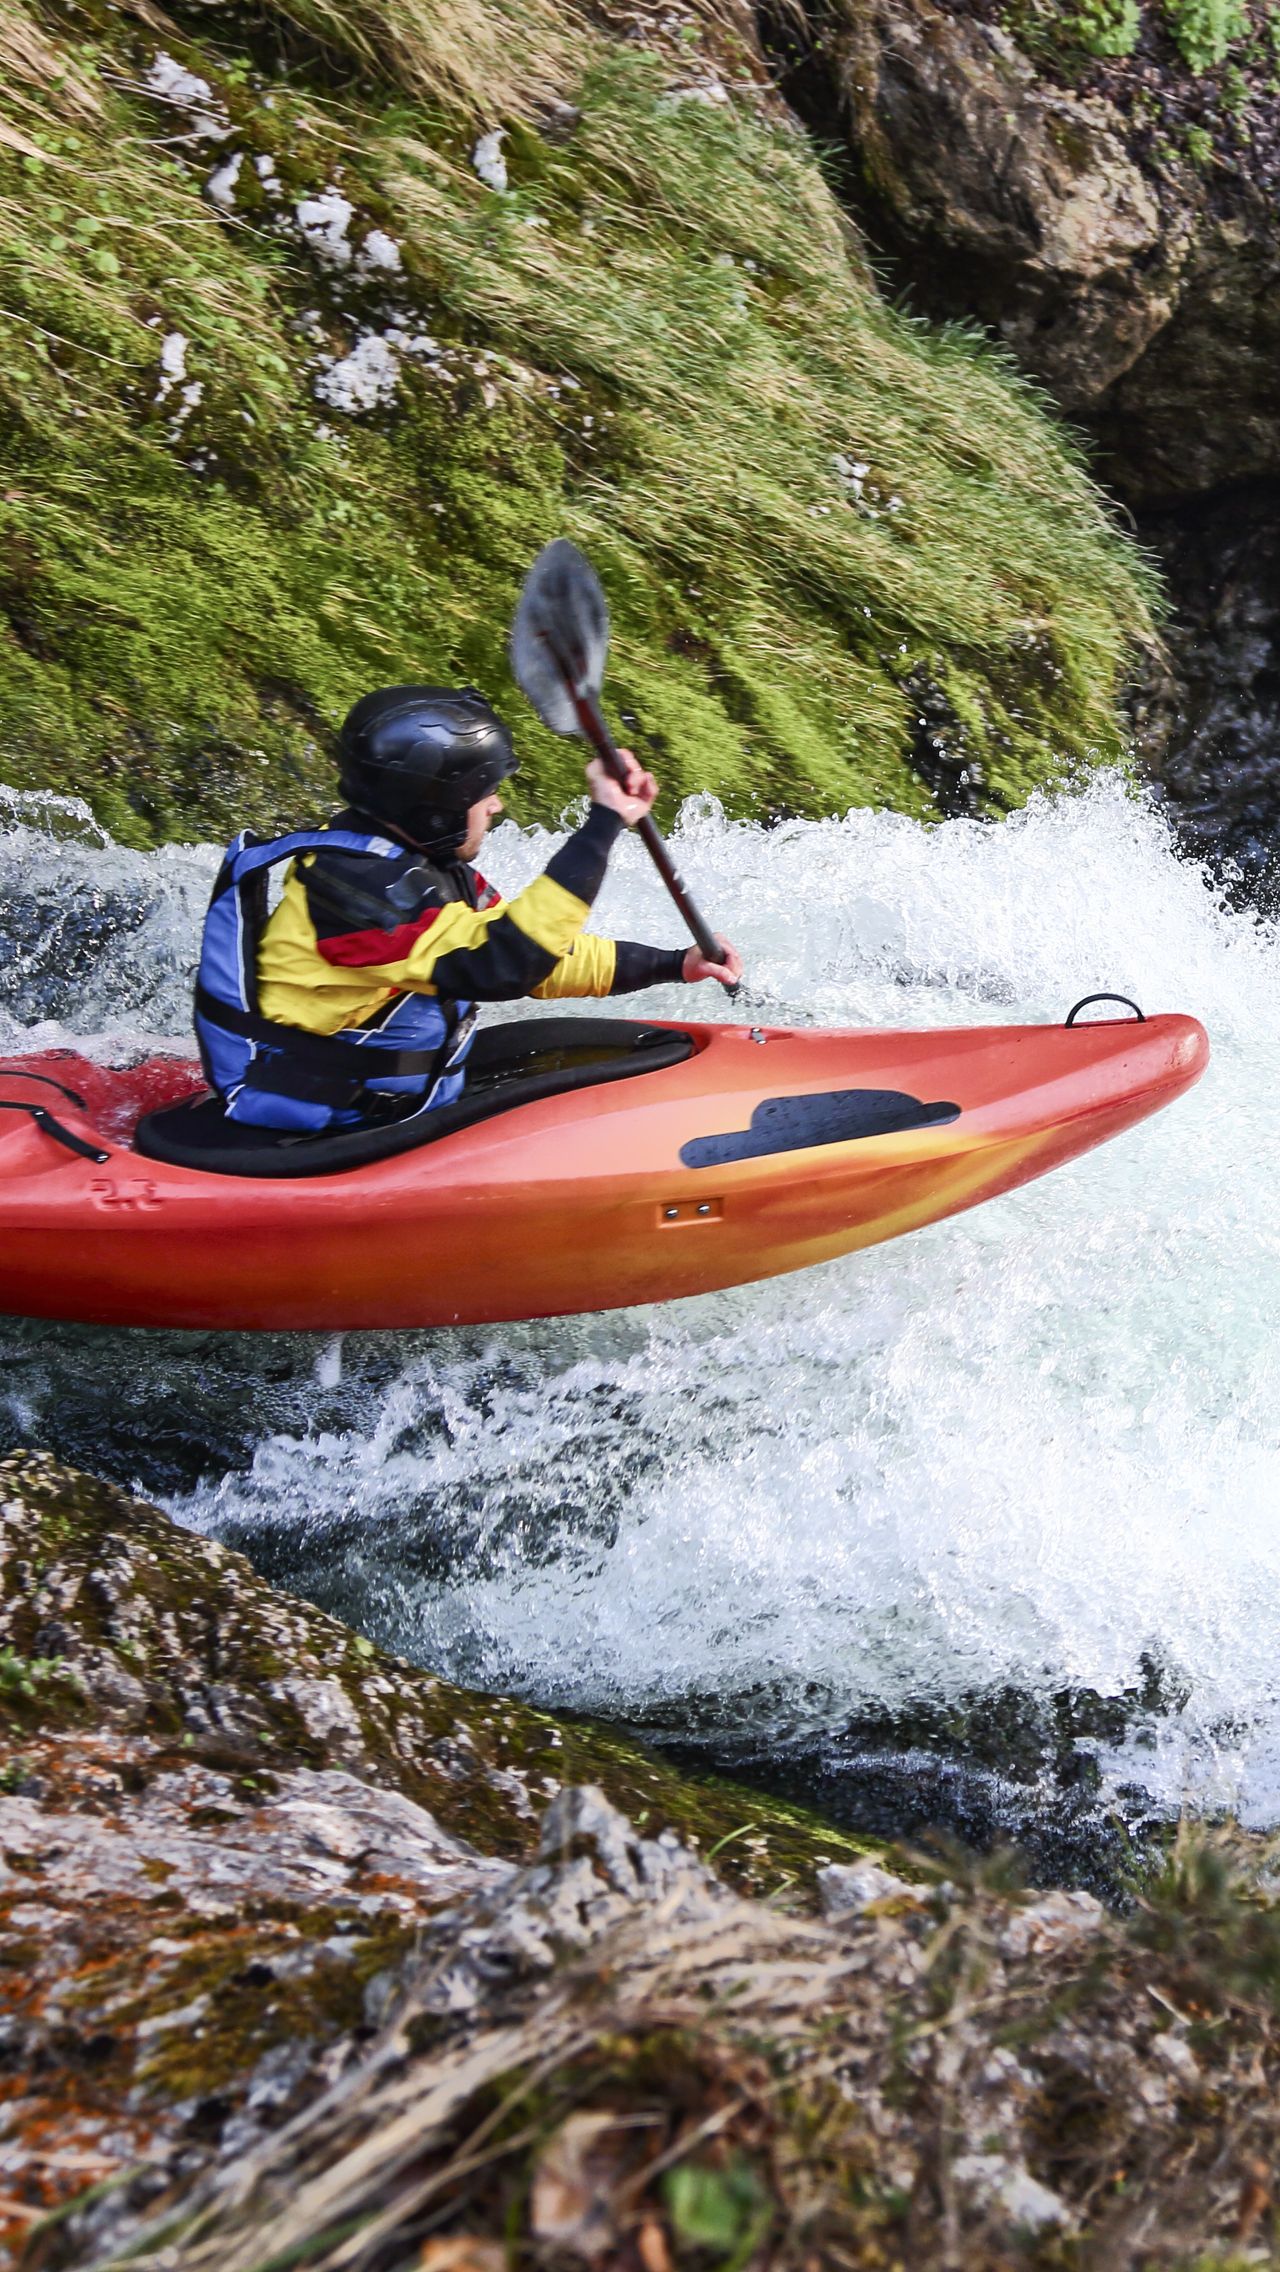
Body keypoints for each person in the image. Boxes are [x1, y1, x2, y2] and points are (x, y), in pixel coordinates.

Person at [194, 684, 743, 1133]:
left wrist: (673, 964)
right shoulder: (356, 892)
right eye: (486, 793)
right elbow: (507, 962)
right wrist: (603, 825)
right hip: (324, 1115)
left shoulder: (415, 865)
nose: (497, 804)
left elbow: (539, 955)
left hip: (385, 1089)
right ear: (436, 809)